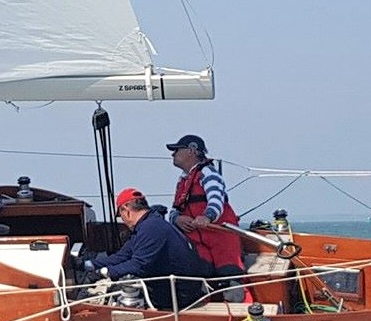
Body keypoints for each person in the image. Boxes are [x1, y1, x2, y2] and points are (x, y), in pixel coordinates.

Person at [78, 188, 211, 311]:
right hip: (176, 289)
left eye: (120, 215)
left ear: (126, 209)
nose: (122, 220)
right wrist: (87, 265)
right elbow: (122, 256)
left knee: (120, 287)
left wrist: (103, 272)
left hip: (178, 296)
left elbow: (139, 265)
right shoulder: (148, 226)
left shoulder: (151, 228)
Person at [166, 133, 247, 299]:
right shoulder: (183, 181)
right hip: (198, 242)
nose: (173, 154)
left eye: (177, 150)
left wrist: (208, 216)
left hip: (220, 239)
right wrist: (177, 219)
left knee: (230, 279)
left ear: (192, 151)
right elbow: (175, 209)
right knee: (198, 276)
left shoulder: (208, 174)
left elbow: (216, 198)